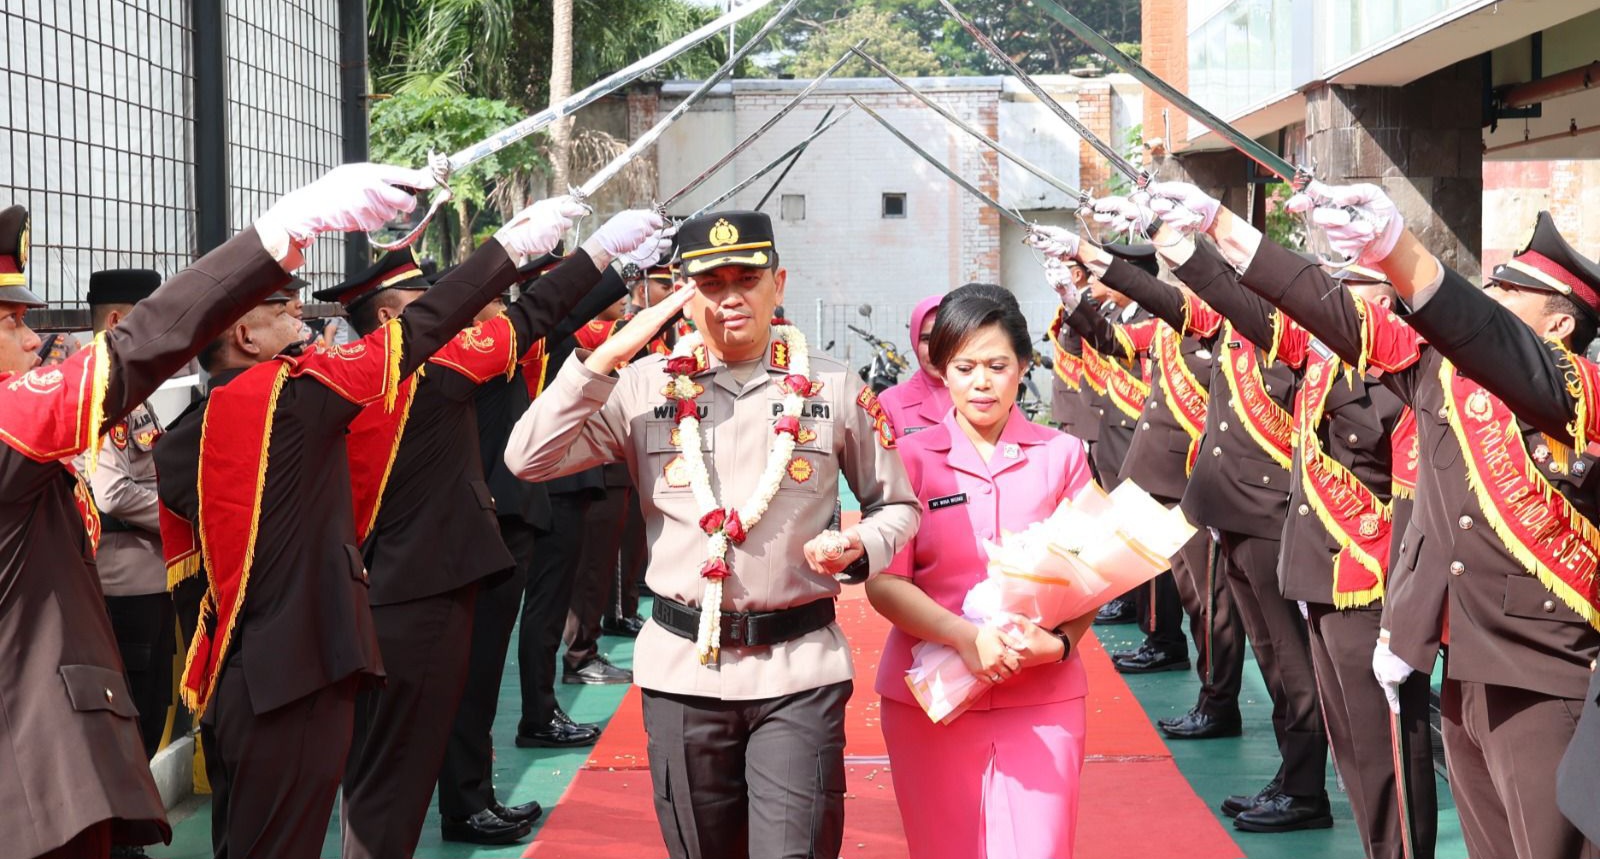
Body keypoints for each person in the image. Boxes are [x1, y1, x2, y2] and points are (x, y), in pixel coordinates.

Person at [1149, 179, 1600, 858]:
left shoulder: (1579, 391)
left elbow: (1480, 331)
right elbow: (1327, 310)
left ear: (1561, 322)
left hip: (1546, 675)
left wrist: (1398, 248)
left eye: (1511, 293)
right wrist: (1219, 226)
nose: (1493, 300)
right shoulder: (1444, 373)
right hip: (1470, 665)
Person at [0, 164, 421, 859]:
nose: (32, 340)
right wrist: (274, 236)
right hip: (31, 779)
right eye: (13, 322)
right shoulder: (10, 417)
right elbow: (135, 349)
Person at [154, 190, 583, 859]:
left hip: (237, 676)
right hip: (299, 674)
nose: (299, 312)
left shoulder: (184, 437)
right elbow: (430, 325)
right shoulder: (299, 403)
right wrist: (510, 251)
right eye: (280, 305)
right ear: (243, 336)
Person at [504, 210, 921, 859]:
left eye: (746, 279)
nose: (730, 297)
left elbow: (896, 505)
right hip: (682, 675)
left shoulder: (833, 385)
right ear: (683, 291)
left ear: (777, 283)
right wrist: (604, 359)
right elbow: (527, 459)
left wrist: (861, 546)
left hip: (797, 670)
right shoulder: (641, 386)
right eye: (710, 281)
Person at [330, 204, 666, 859]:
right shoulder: (429, 370)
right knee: (392, 778)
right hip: (422, 587)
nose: (448, 311)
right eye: (431, 302)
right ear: (395, 319)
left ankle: (462, 803)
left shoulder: (347, 375)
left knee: (381, 769)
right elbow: (535, 313)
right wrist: (595, 253)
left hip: (386, 580)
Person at [866, 283, 1096, 859]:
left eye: (997, 365)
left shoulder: (1061, 455)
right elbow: (885, 581)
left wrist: (1061, 645)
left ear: (1023, 365)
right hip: (931, 696)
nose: (982, 382)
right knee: (944, 847)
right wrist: (964, 637)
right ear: (942, 370)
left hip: (1041, 693)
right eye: (964, 366)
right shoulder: (909, 459)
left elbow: (1097, 569)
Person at [1039, 247, 1246, 739]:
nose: (1181, 290)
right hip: (1157, 481)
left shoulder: (1227, 330)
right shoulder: (1166, 328)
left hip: (1194, 484)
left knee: (1210, 605)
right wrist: (1071, 295)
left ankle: (1218, 703)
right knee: (1194, 599)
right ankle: (1211, 697)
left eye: (1190, 280)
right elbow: (1110, 341)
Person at [81, 269, 175, 771]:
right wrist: (182, 512)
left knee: (152, 699)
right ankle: (120, 841)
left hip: (146, 575)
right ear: (118, 320)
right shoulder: (102, 390)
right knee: (133, 708)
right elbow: (112, 492)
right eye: (151, 315)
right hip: (125, 583)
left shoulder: (128, 385)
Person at [877, 294, 952, 438]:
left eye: (945, 338)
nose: (935, 349)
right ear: (914, 341)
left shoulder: (981, 398)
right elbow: (884, 459)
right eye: (926, 339)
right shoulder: (890, 403)